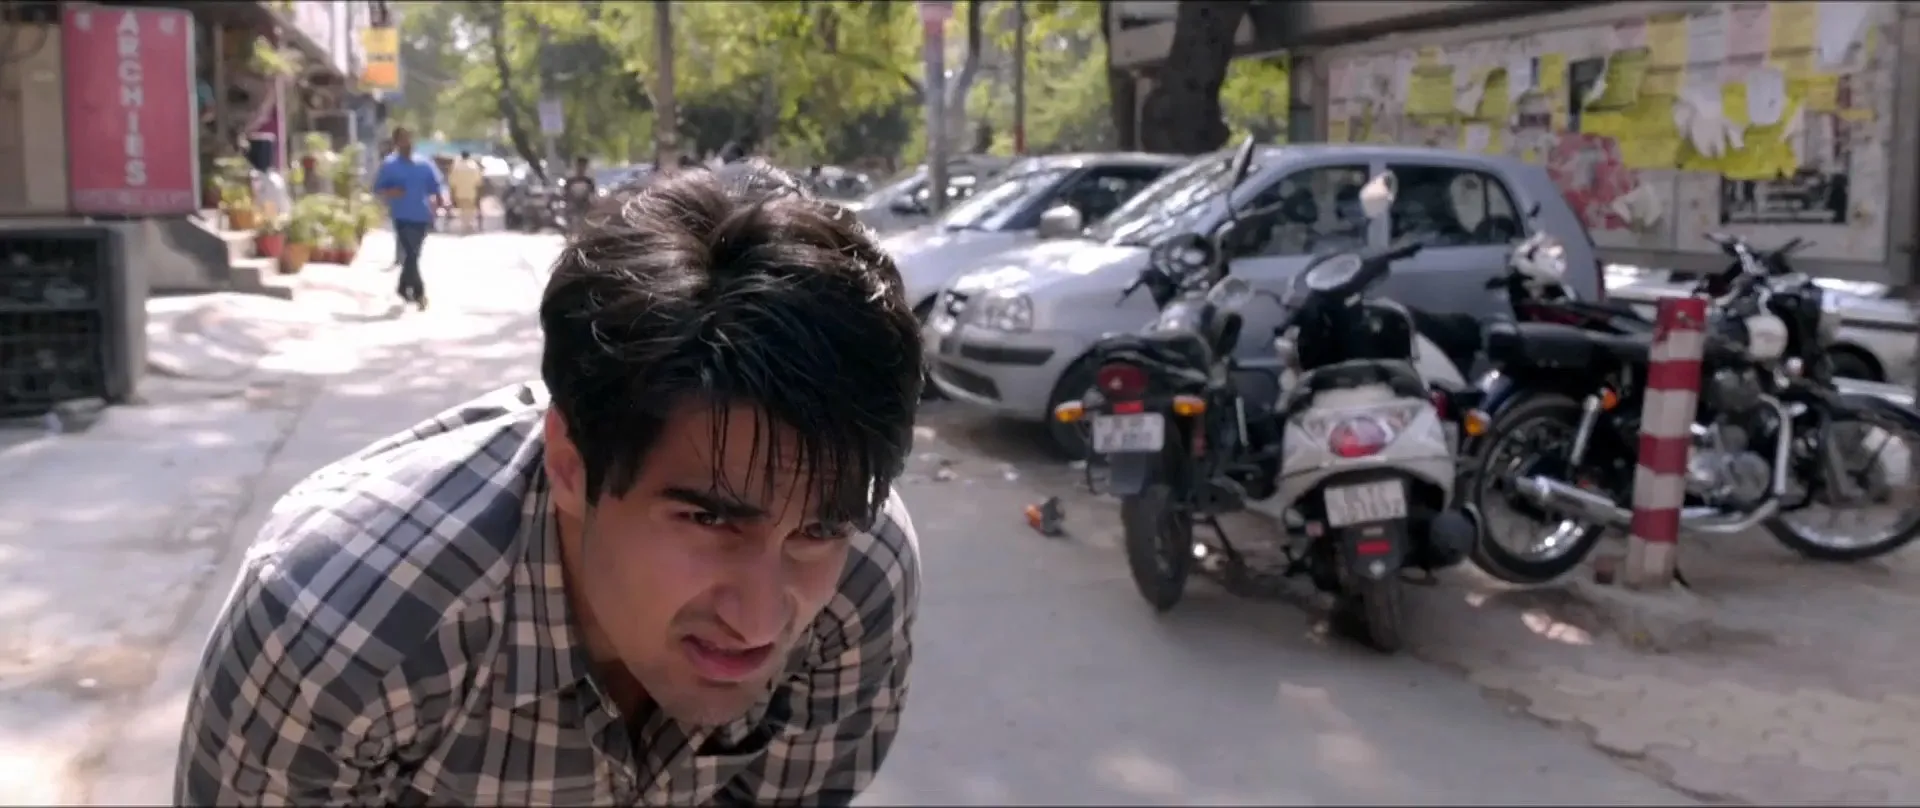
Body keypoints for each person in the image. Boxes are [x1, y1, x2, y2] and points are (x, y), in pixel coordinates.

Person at [174, 163, 925, 805]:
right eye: (710, 520)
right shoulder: (340, 636)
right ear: (571, 463)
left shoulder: (861, 578)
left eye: (816, 531)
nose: (759, 622)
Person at [371, 127, 443, 310]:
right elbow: (377, 188)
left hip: (422, 215)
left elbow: (436, 186)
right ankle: (419, 293)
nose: (407, 143)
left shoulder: (424, 164)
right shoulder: (390, 165)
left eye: (409, 139)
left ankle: (403, 287)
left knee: (414, 254)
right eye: (403, 139)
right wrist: (391, 192)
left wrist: (441, 202)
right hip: (401, 216)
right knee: (411, 253)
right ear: (396, 143)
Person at [447, 149, 485, 235]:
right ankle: (468, 224)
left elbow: (452, 181)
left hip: (459, 192)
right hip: (471, 192)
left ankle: (465, 225)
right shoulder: (474, 166)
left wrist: (452, 191)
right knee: (470, 209)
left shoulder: (456, 166)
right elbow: (478, 181)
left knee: (462, 209)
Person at [562, 156, 597, 234]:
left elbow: (592, 196)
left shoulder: (588, 181)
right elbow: (565, 195)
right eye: (579, 166)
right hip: (573, 209)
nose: (581, 168)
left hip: (585, 209)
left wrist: (591, 205)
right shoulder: (570, 181)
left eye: (583, 166)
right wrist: (569, 204)